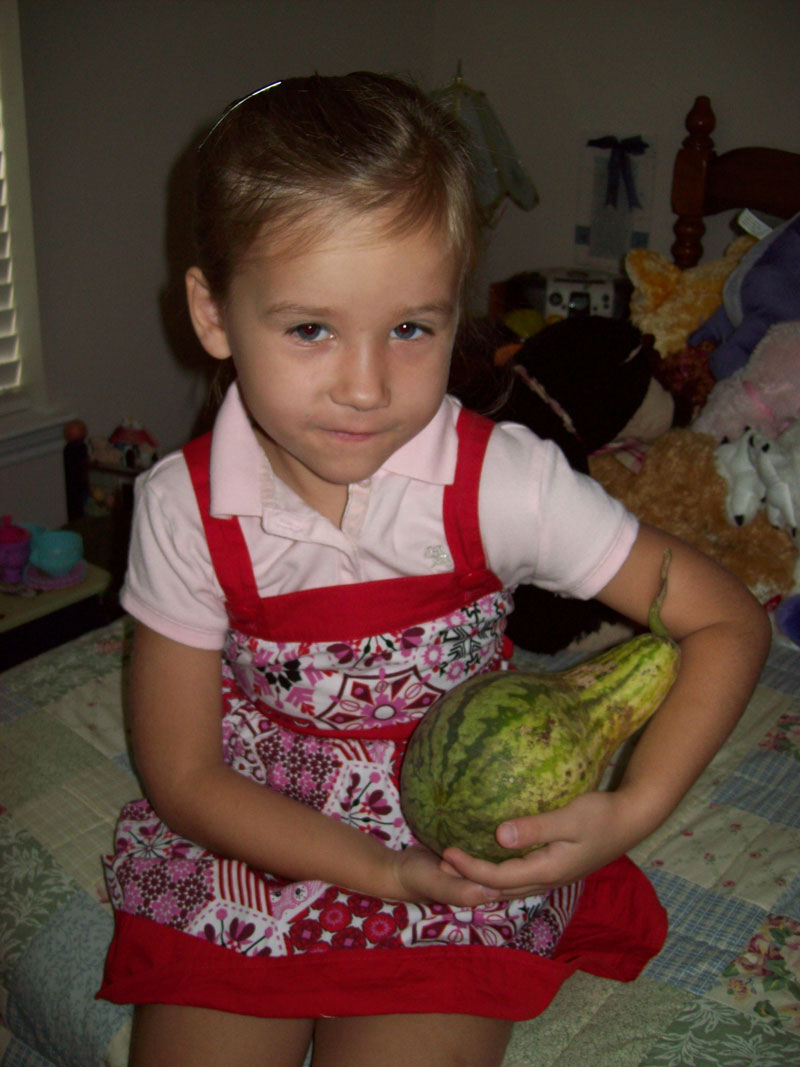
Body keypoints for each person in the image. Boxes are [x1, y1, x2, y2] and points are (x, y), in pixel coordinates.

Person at [97, 72, 771, 1067]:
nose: (364, 387)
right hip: (255, 834)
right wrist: (373, 869)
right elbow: (185, 772)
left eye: (411, 327)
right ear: (212, 313)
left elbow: (727, 620)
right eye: (309, 327)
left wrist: (628, 810)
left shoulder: (502, 483)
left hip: (457, 852)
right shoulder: (178, 510)